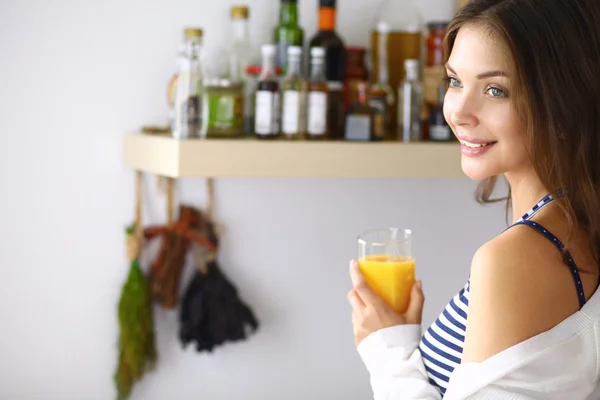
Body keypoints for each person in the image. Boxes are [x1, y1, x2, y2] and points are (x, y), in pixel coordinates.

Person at [347, 0, 600, 398]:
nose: (459, 111)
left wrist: (389, 355)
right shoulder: (573, 222)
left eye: (495, 90)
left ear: (564, 103)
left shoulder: (520, 256)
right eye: (455, 81)